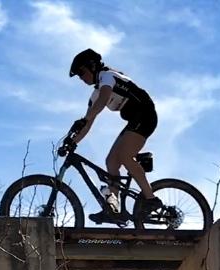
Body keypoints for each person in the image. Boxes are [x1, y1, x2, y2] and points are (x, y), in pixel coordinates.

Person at [67, 48, 163, 224]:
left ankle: (151, 199)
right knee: (111, 161)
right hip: (134, 120)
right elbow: (88, 123)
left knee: (125, 156)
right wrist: (72, 142)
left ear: (92, 66)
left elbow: (103, 101)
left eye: (81, 72)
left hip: (145, 115)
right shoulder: (95, 93)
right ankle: (114, 209)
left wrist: (85, 118)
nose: (81, 78)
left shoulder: (107, 76)